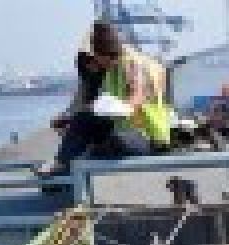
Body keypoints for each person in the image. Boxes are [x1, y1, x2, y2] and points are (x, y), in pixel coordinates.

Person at [37, 22, 174, 176]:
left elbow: (137, 98)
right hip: (126, 130)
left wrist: (116, 107)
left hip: (148, 137)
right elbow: (98, 105)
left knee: (101, 147)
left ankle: (66, 170)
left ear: (102, 54)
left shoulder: (133, 64)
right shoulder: (111, 70)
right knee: (83, 121)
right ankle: (60, 164)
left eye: (95, 57)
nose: (96, 62)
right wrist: (71, 118)